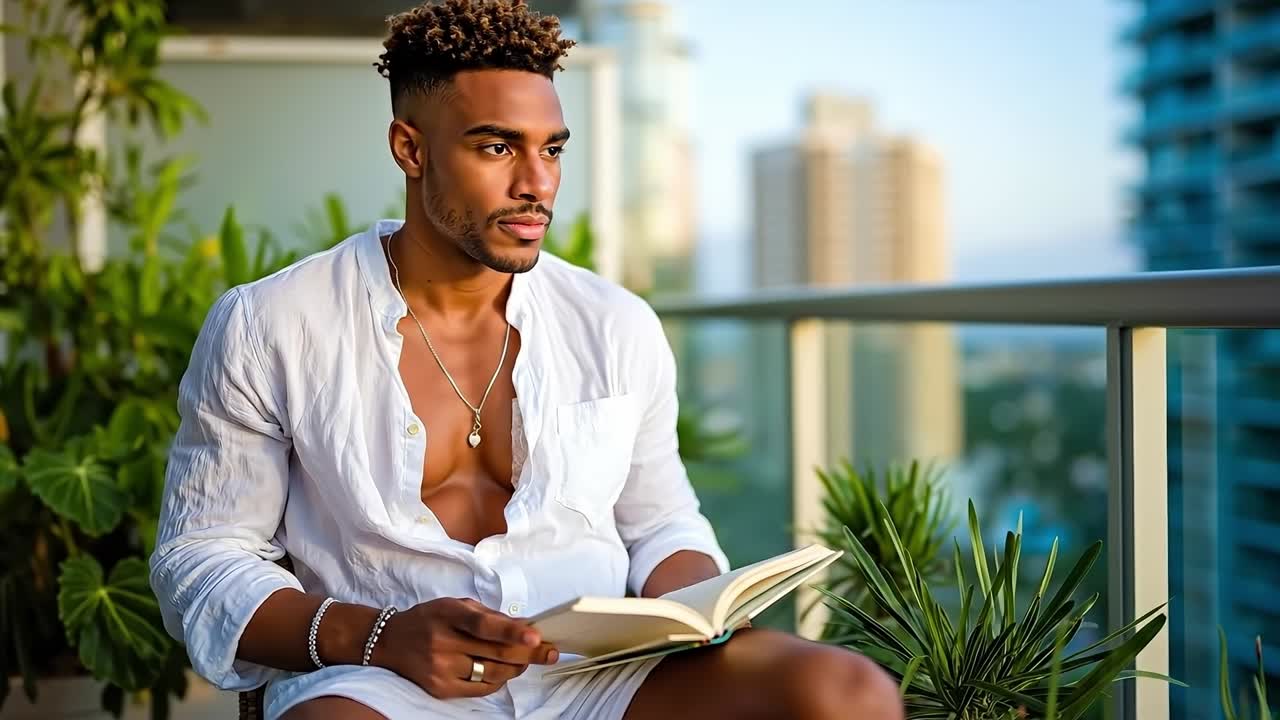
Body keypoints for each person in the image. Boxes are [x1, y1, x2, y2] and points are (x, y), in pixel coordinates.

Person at [149, 1, 904, 718]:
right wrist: (377, 635)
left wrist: (695, 609)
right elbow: (203, 558)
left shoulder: (615, 325)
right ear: (411, 149)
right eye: (496, 146)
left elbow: (661, 524)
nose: (536, 183)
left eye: (550, 150)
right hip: (387, 681)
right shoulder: (272, 323)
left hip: (602, 683)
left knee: (845, 694)